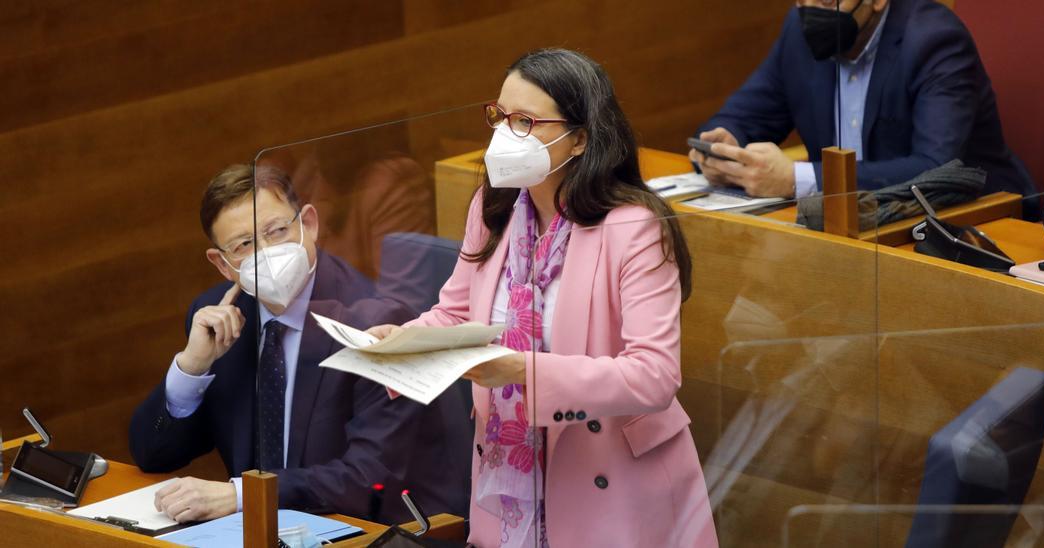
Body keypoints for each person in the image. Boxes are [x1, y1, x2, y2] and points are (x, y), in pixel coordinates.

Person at [369, 48, 717, 547]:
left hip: (615, 480)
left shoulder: (634, 227)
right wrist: (401, 342)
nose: (504, 135)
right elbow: (457, 313)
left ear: (578, 138)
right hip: (509, 468)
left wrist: (522, 372)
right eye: (500, 117)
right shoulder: (492, 207)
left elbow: (655, 375)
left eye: (526, 122)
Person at [129, 165, 471, 524]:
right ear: (223, 264)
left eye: (277, 231)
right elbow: (154, 456)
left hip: (377, 531)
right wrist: (191, 367)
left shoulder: (375, 323)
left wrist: (243, 496)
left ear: (309, 224)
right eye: (244, 244)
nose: (266, 253)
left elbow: (369, 479)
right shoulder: (220, 319)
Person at [689, 0, 1036, 219]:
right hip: (857, 228)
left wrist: (796, 179)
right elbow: (743, 115)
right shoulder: (799, 30)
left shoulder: (934, 39)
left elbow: (938, 169)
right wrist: (722, 146)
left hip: (975, 221)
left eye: (827, 1)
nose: (811, 11)